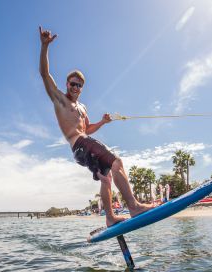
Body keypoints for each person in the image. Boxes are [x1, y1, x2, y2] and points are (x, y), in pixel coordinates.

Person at [39, 27, 153, 227]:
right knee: (117, 162)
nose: (75, 88)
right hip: (79, 144)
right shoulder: (61, 101)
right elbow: (44, 74)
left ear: (82, 88)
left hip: (83, 145)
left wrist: (102, 122)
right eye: (73, 84)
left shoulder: (82, 107)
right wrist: (45, 46)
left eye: (79, 85)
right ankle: (134, 207)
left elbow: (88, 129)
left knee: (106, 178)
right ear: (67, 84)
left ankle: (110, 218)